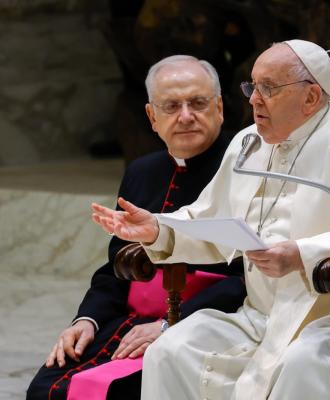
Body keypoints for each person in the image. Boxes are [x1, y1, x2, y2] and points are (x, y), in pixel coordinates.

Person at [91, 40, 330, 399]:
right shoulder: (248, 144)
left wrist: (301, 254)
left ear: (310, 98)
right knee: (172, 349)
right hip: (262, 316)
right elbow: (210, 219)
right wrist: (158, 228)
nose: (253, 99)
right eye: (252, 86)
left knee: (304, 364)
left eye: (269, 88)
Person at [27, 56, 246, 400]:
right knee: (47, 389)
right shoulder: (142, 172)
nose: (186, 116)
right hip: (130, 322)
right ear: (151, 117)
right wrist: (86, 320)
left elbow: (249, 277)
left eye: (198, 103)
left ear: (219, 107)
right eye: (172, 106)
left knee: (118, 391)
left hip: (205, 321)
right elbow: (118, 268)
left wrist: (171, 323)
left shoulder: (248, 168)